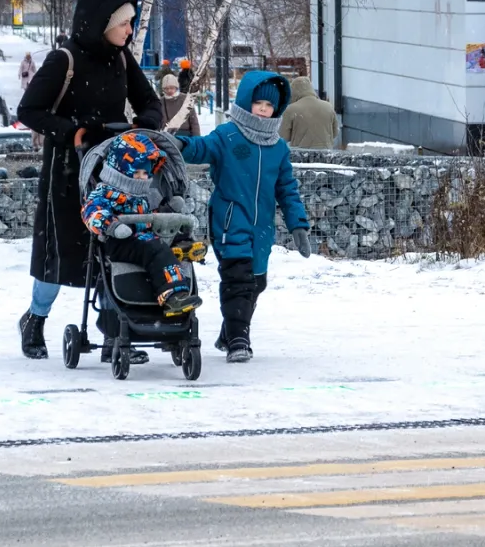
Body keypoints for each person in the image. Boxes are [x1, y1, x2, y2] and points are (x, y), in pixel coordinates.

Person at [13, 0, 164, 359]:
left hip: (112, 166)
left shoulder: (122, 59)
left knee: (115, 242)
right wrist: (72, 131)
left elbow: (150, 102)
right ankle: (36, 318)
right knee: (59, 250)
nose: (130, 31)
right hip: (67, 169)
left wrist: (143, 127)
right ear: (102, 23)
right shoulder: (64, 60)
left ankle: (115, 328)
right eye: (124, 23)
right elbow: (28, 110)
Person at [177, 70, 312, 363]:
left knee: (256, 282)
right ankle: (239, 340)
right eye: (259, 104)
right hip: (230, 219)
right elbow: (202, 148)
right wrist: (181, 145)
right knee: (238, 279)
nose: (264, 111)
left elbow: (287, 190)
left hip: (262, 228)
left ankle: (229, 332)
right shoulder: (228, 135)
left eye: (269, 106)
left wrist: (298, 224)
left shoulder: (278, 148)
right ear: (246, 102)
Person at [81, 130, 201, 315]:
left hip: (144, 236)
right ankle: (173, 295)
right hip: (119, 242)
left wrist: (167, 211)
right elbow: (91, 211)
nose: (142, 178)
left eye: (146, 173)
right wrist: (112, 225)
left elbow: (148, 215)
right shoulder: (105, 191)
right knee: (155, 249)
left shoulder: (143, 195)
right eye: (136, 172)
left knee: (164, 237)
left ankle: (182, 246)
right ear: (120, 169)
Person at [279, 76, 340, 149]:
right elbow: (335, 132)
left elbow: (283, 137)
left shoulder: (290, 109)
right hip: (326, 153)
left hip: (302, 154)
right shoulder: (328, 106)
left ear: (294, 92)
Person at [158, 70, 200, 137]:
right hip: (168, 135)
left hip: (185, 134)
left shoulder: (185, 99)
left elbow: (193, 120)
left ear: (176, 87)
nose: (169, 90)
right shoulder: (161, 102)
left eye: (171, 88)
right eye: (166, 88)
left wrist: (196, 138)